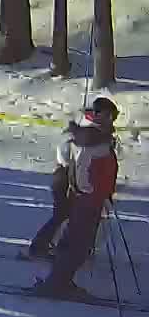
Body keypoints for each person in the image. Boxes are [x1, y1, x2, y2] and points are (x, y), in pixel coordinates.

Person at [30, 98, 118, 261]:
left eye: (113, 116)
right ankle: (42, 248)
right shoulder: (88, 129)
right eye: (109, 115)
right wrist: (82, 185)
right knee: (65, 214)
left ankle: (74, 249)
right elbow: (75, 156)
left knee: (77, 217)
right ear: (98, 114)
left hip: (75, 179)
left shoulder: (96, 130)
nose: (111, 120)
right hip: (68, 177)